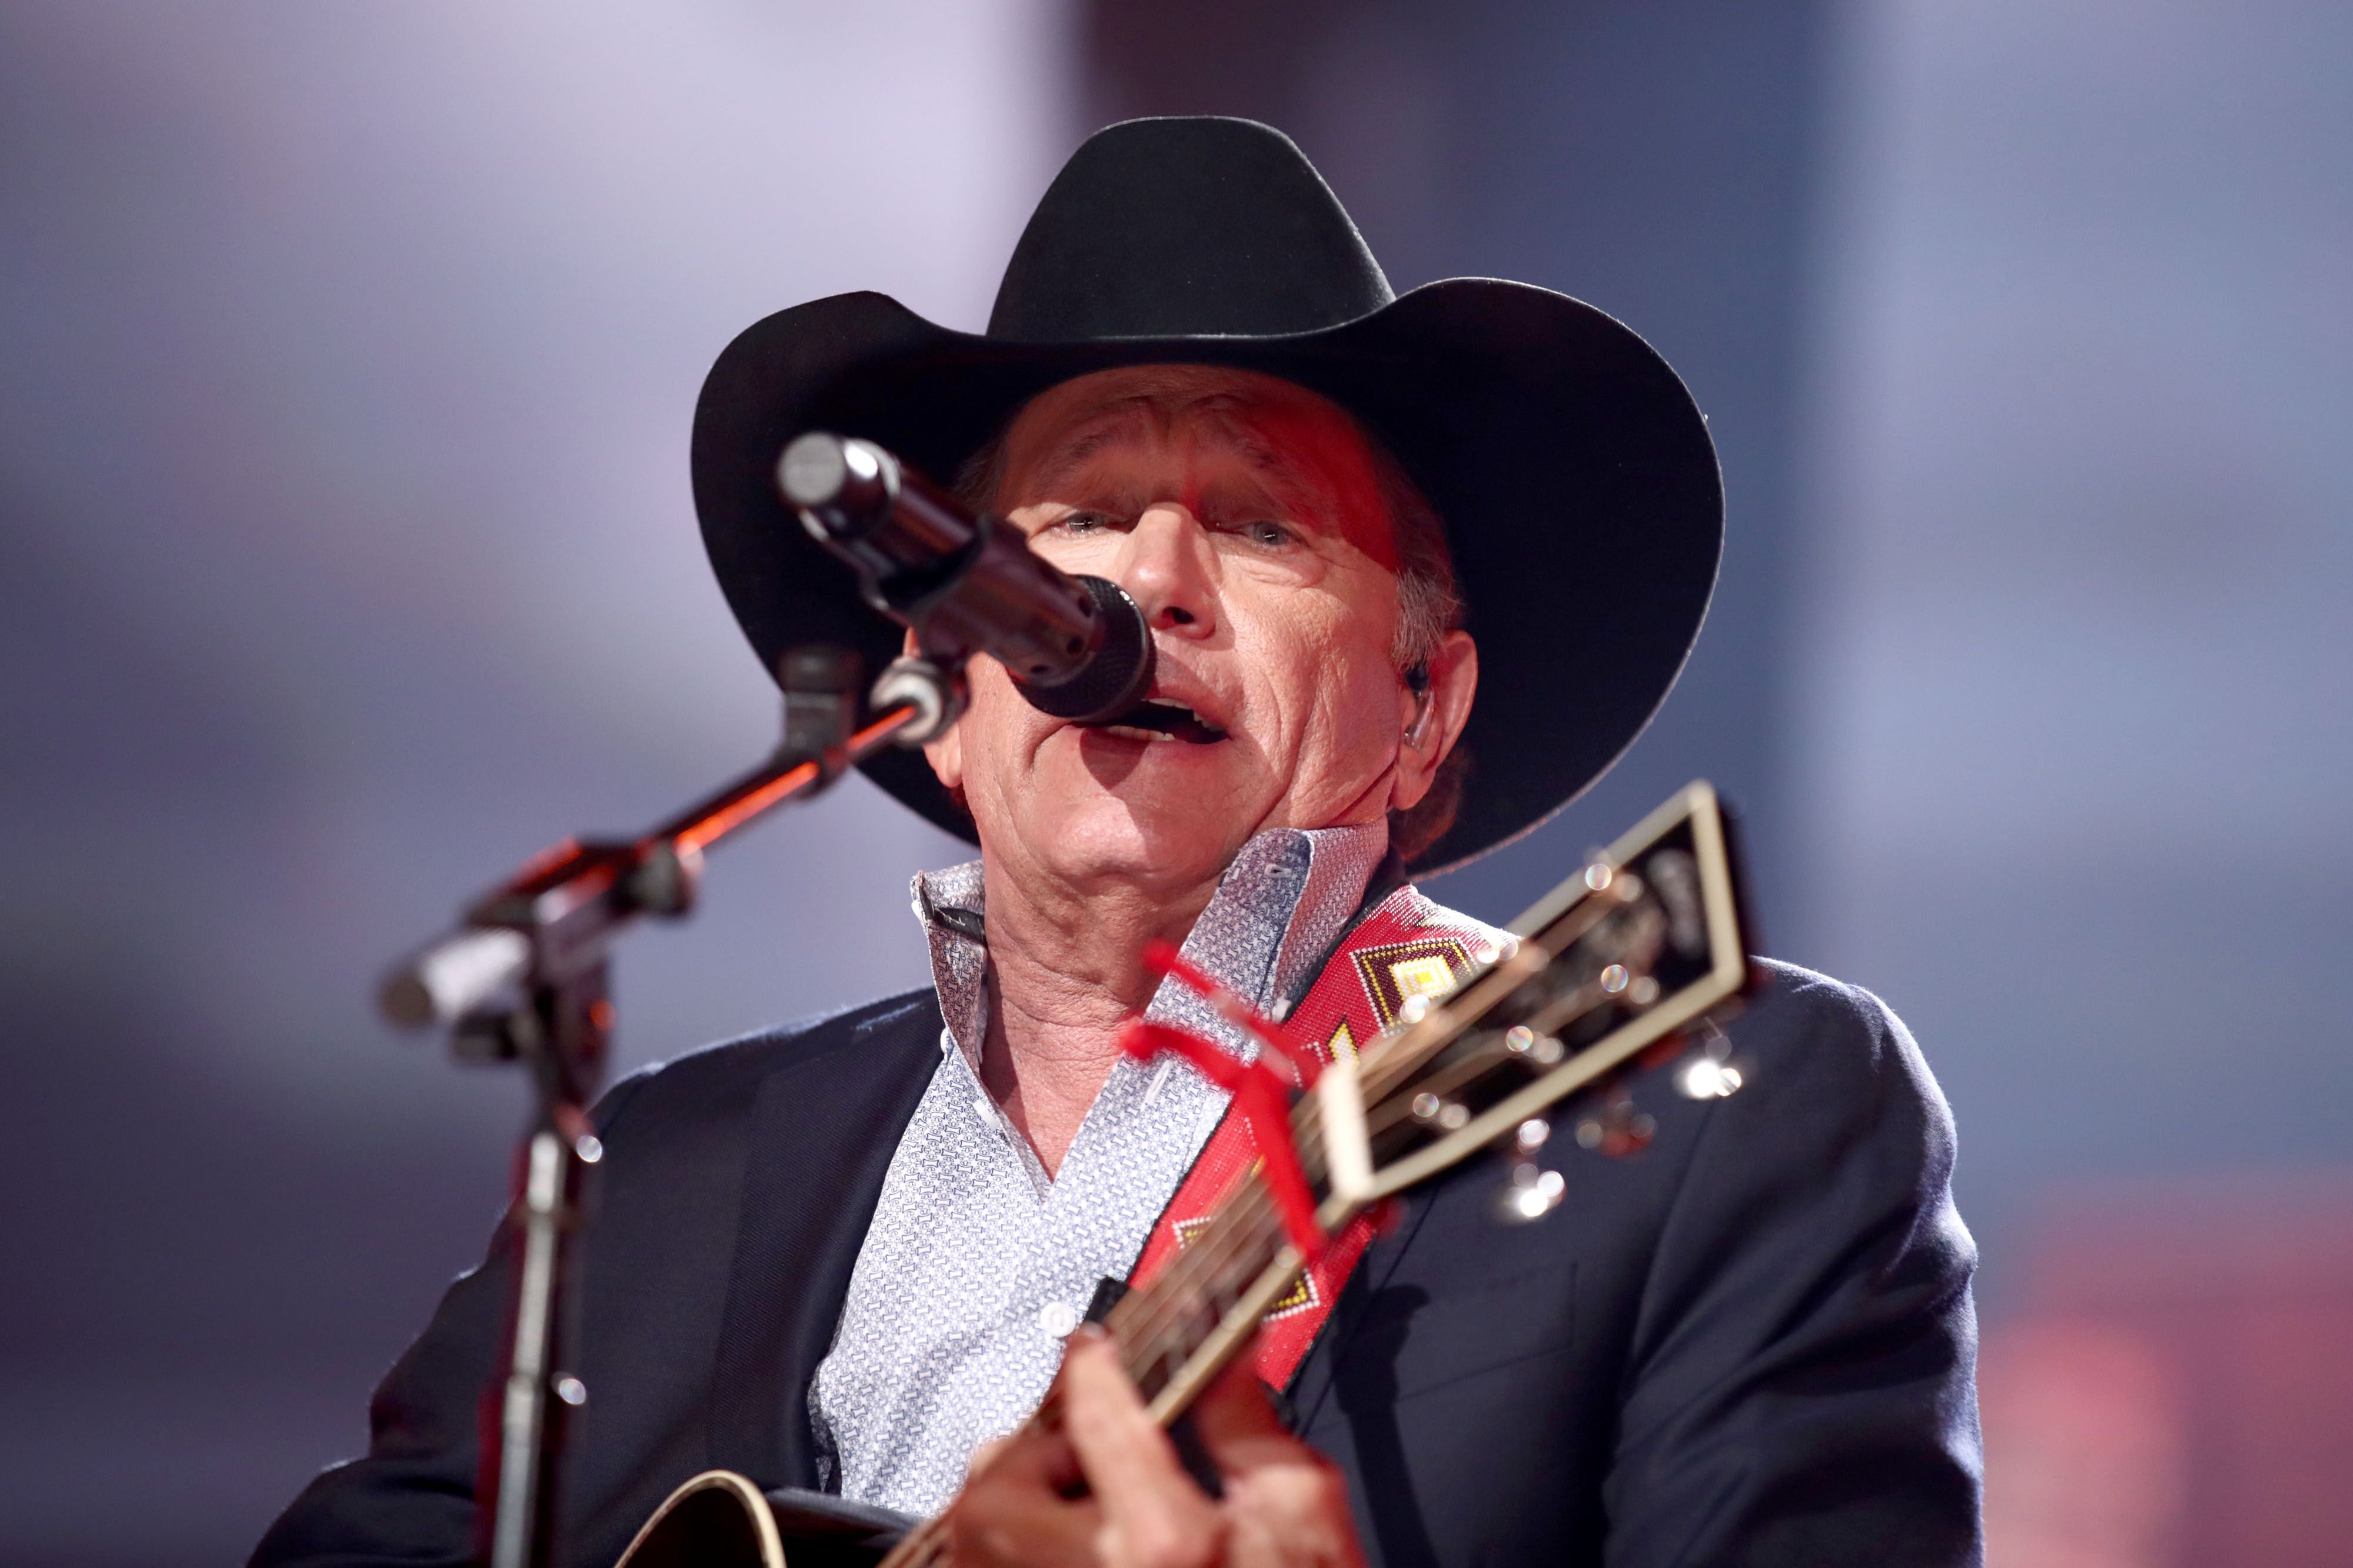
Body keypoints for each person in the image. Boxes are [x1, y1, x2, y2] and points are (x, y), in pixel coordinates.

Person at [254, 118, 1981, 1568]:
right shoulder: (662, 1174)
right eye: (1075, 516)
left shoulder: (1719, 1119)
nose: (1141, 585)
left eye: (1259, 522)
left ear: (1422, 707)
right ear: (936, 664)